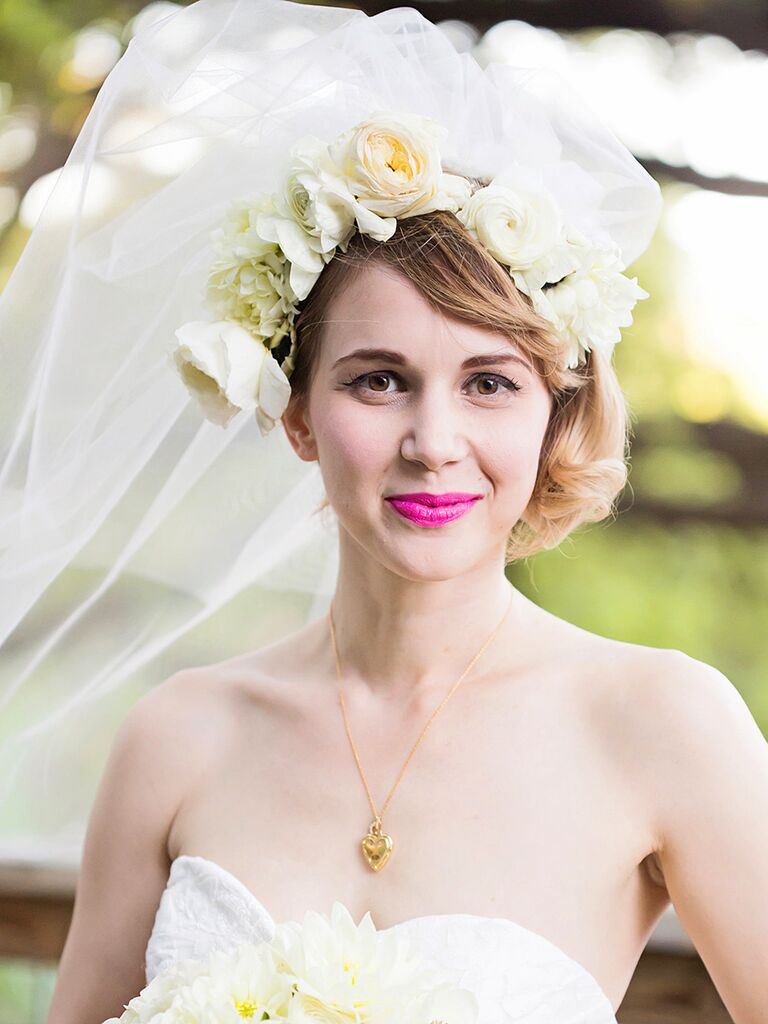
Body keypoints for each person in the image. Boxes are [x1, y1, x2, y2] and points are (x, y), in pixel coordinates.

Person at [0, 2, 764, 1023]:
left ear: (555, 411)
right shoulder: (178, 737)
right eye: (377, 381)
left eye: (489, 383)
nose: (434, 440)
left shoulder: (661, 721)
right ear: (299, 415)